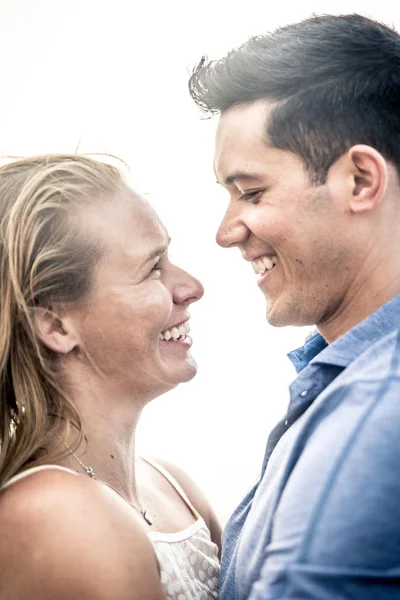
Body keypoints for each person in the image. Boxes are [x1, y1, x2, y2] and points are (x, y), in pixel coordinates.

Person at [189, 13, 400, 600]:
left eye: (251, 192)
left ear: (360, 180)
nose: (227, 231)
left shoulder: (380, 408)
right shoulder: (348, 382)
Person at [0, 154, 220, 600]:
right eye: (152, 268)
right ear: (58, 326)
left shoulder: (174, 487)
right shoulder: (58, 516)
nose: (192, 286)